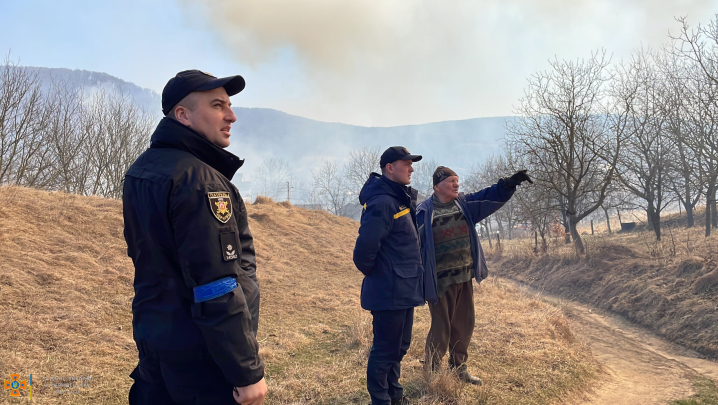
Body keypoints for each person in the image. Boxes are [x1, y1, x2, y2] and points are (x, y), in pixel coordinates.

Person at [123, 70, 266, 405]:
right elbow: (216, 286)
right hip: (202, 359)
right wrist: (246, 372)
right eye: (218, 106)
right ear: (182, 115)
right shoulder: (201, 182)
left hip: (157, 343)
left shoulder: (141, 170)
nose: (231, 115)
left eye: (229, 105)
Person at [417, 166, 532, 385]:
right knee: (441, 328)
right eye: (451, 181)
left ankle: (459, 369)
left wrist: (508, 184)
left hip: (464, 276)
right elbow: (413, 245)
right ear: (436, 186)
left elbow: (488, 196)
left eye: (457, 180)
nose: (456, 184)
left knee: (464, 324)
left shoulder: (465, 204)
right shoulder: (424, 212)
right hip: (440, 281)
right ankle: (431, 372)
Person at [353, 146, 425, 405]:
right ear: (389, 168)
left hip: (403, 290)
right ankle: (381, 400)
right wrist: (383, 275)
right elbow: (363, 253)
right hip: (390, 291)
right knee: (385, 351)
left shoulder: (398, 199)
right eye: (406, 163)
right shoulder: (383, 202)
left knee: (399, 348)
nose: (411, 168)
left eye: (411, 163)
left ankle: (395, 396)